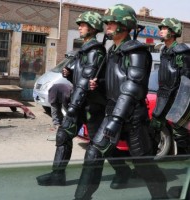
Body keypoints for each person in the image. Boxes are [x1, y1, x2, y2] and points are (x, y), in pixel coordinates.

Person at [74, 4, 168, 199]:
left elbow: (132, 87)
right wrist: (97, 84)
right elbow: (114, 82)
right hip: (112, 113)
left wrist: (116, 119)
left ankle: (161, 195)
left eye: (111, 22)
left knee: (143, 165)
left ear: (124, 24)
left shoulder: (136, 52)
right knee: (93, 154)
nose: (107, 25)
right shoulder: (112, 50)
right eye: (107, 22)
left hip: (132, 118)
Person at [36, 10, 132, 189]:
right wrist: (70, 73)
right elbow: (81, 78)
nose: (79, 27)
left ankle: (123, 170)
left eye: (83, 25)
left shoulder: (96, 51)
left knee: (100, 145)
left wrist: (73, 105)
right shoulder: (85, 49)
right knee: (63, 135)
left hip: (91, 106)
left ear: (93, 28)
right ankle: (58, 175)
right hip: (79, 103)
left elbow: (87, 80)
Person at [150, 18, 190, 154]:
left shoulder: (181, 52)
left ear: (173, 32)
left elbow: (186, 81)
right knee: (153, 130)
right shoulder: (164, 51)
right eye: (161, 29)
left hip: (177, 102)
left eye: (165, 29)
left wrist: (181, 105)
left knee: (181, 136)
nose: (161, 31)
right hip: (163, 98)